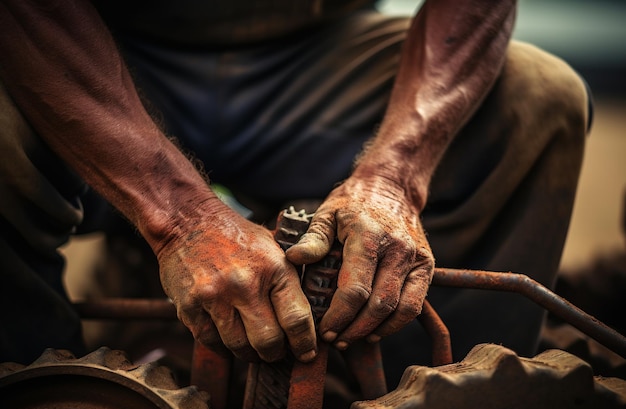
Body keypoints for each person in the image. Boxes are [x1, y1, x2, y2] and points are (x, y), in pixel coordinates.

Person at [0, 0, 590, 387]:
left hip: (314, 53)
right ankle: (43, 392)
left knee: (538, 98)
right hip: (94, 54)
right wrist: (182, 219)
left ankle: (406, 392)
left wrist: (393, 179)